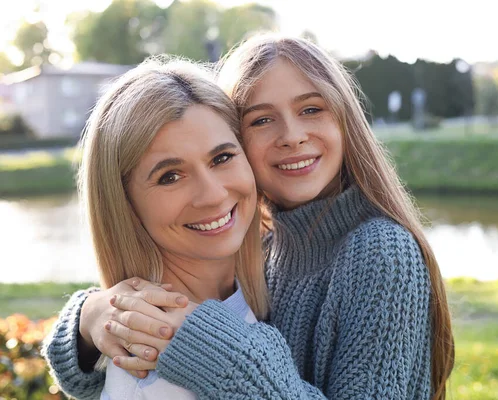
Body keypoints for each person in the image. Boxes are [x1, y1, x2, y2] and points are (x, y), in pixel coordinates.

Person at [43, 33, 454, 399]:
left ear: (346, 119)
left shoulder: (379, 250)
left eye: (312, 109)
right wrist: (88, 317)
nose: (292, 135)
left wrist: (217, 350)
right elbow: (88, 377)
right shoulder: (259, 246)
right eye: (261, 119)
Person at [42, 56, 269, 399]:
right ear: (124, 203)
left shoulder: (264, 282)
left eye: (221, 158)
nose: (213, 194)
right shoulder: (150, 372)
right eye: (170, 176)